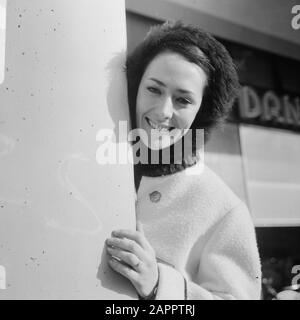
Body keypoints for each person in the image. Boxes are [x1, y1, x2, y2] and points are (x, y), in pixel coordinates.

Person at [105, 21, 262, 300]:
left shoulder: (226, 210)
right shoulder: (100, 162)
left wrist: (160, 286)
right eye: (154, 89)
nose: (163, 111)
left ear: (202, 110)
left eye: (183, 100)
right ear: (134, 88)